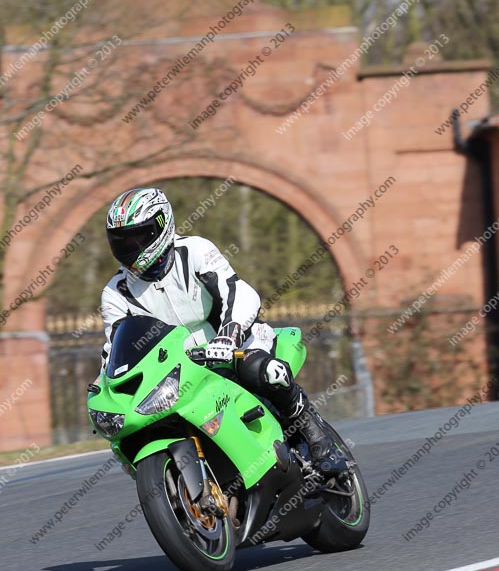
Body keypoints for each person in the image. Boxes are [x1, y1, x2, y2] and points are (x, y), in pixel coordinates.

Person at [101, 186, 343, 475]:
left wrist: (229, 334)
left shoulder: (195, 251)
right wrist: (105, 388)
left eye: (140, 236)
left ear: (162, 225)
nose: (131, 247)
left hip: (235, 342)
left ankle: (316, 436)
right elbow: (113, 349)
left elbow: (237, 293)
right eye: (122, 241)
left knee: (260, 370)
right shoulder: (116, 292)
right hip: (179, 370)